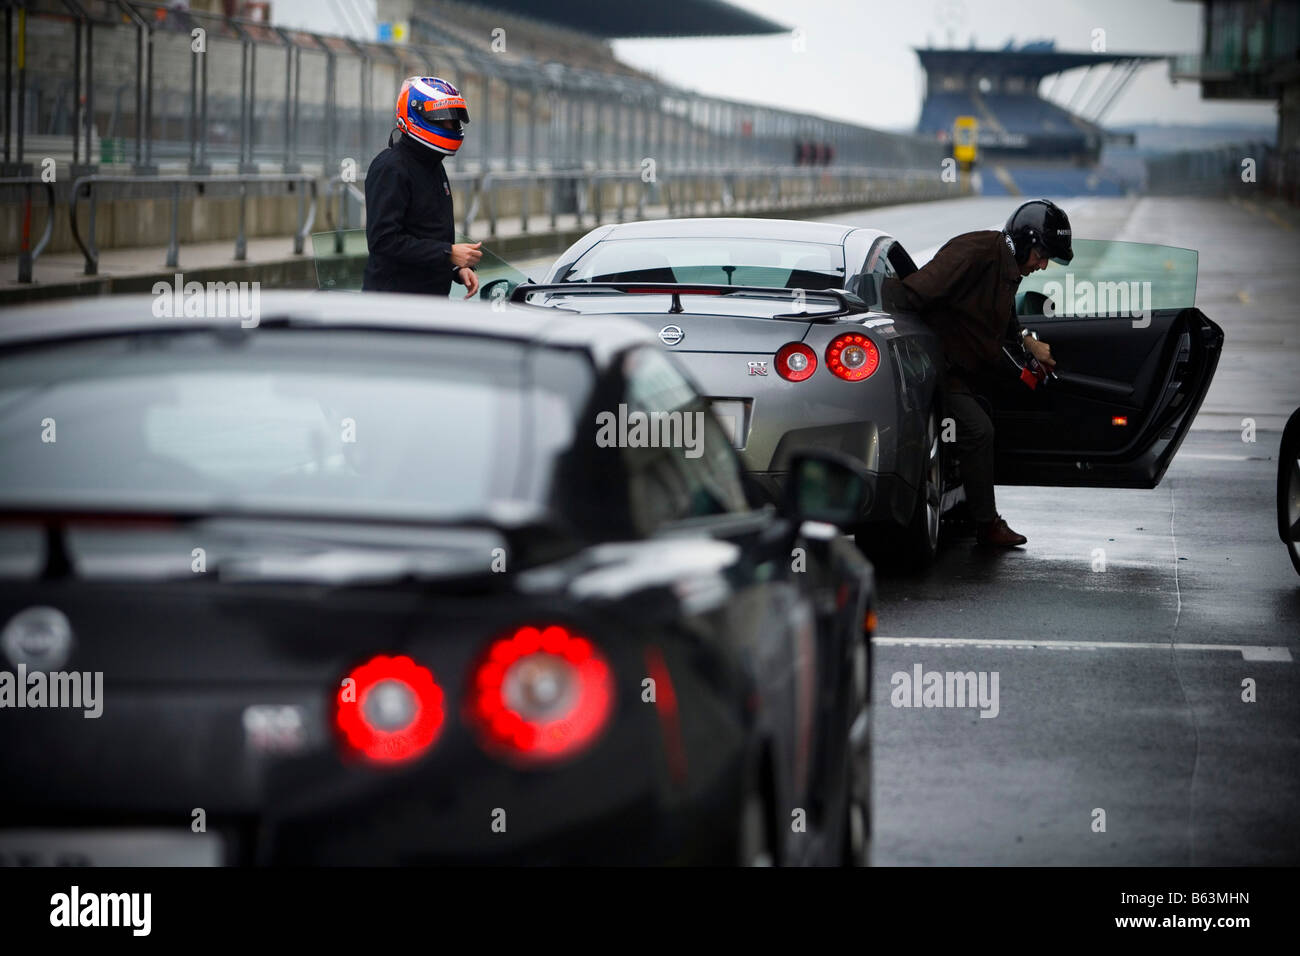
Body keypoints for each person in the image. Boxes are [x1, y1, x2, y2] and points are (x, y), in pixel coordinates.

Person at [883, 199, 1072, 548]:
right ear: (1025, 241)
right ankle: (986, 525)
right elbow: (912, 294)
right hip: (932, 366)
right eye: (1042, 255)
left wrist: (1027, 344)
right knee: (978, 430)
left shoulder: (1008, 267)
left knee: (985, 414)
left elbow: (1001, 321)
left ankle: (966, 507)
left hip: (960, 366)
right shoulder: (974, 253)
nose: (1043, 265)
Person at [362, 76, 482, 297]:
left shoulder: (433, 165)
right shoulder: (391, 167)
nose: (452, 125)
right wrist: (448, 254)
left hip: (428, 303)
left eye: (454, 120)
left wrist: (457, 268)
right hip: (393, 305)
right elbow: (383, 241)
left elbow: (427, 234)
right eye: (444, 118)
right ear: (418, 116)